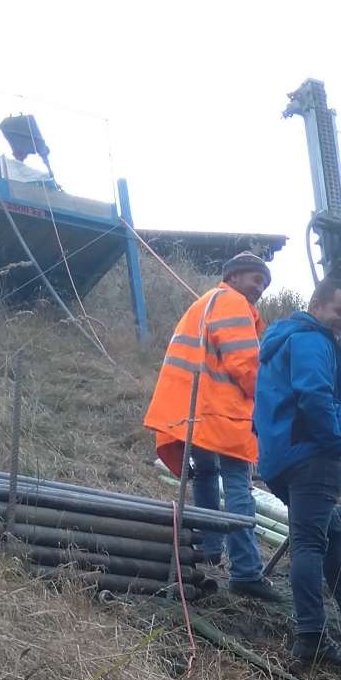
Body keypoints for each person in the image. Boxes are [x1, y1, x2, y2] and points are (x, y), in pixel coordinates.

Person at [142, 253, 278, 601]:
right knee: (238, 486)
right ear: (233, 276)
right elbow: (246, 363)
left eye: (263, 284)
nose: (259, 289)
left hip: (196, 412)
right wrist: (268, 402)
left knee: (205, 476)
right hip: (223, 413)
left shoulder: (205, 303)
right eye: (255, 280)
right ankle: (246, 571)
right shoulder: (233, 303)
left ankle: (208, 551)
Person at [254, 278, 341, 669]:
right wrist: (336, 443)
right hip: (311, 455)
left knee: (328, 527)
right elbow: (314, 395)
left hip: (278, 457)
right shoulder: (310, 340)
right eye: (340, 312)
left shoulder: (278, 341)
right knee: (308, 542)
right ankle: (311, 637)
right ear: (317, 305)